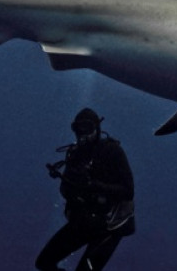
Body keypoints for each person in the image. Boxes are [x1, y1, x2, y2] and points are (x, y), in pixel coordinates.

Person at [36, 108, 135, 271]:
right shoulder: (75, 154)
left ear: (97, 128)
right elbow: (65, 189)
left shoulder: (112, 151)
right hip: (84, 222)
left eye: (87, 129)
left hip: (110, 226)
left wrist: (94, 186)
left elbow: (128, 190)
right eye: (78, 129)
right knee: (43, 263)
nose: (82, 134)